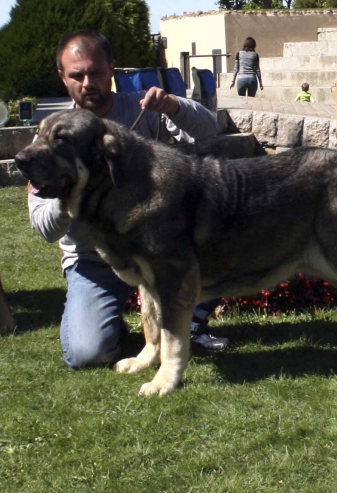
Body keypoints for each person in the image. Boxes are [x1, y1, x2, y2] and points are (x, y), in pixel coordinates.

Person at [28, 29, 229, 369]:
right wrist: (69, 196)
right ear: (63, 78)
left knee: (209, 237)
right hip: (93, 260)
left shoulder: (144, 108)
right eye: (77, 75)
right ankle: (117, 322)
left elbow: (211, 131)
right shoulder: (49, 136)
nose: (88, 82)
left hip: (157, 248)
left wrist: (174, 106)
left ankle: (188, 328)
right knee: (87, 354)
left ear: (112, 69)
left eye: (96, 72)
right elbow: (42, 227)